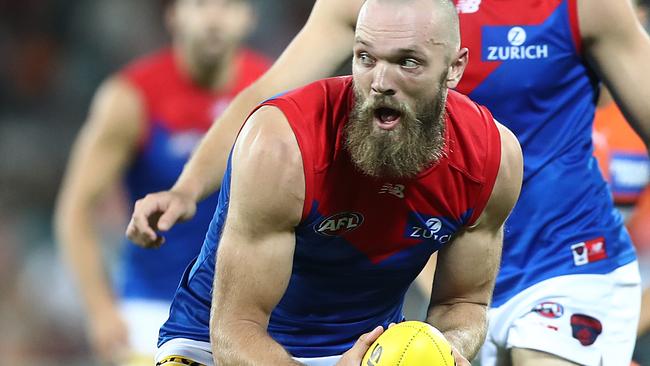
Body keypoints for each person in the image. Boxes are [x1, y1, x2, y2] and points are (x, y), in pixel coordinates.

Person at [127, 0, 650, 364]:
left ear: (454, 67)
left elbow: (462, 308)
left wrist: (439, 347)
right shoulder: (287, 138)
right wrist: (188, 185)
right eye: (367, 59)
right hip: (417, 245)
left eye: (408, 62)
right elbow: (267, 95)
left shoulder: (500, 143)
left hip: (562, 251)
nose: (381, 80)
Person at [54, 0, 268, 364]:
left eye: (229, 5)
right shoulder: (131, 97)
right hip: (152, 310)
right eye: (200, 5)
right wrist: (101, 310)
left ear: (249, 18)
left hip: (250, 311)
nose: (214, 18)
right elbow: (74, 210)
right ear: (173, 15)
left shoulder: (272, 90)